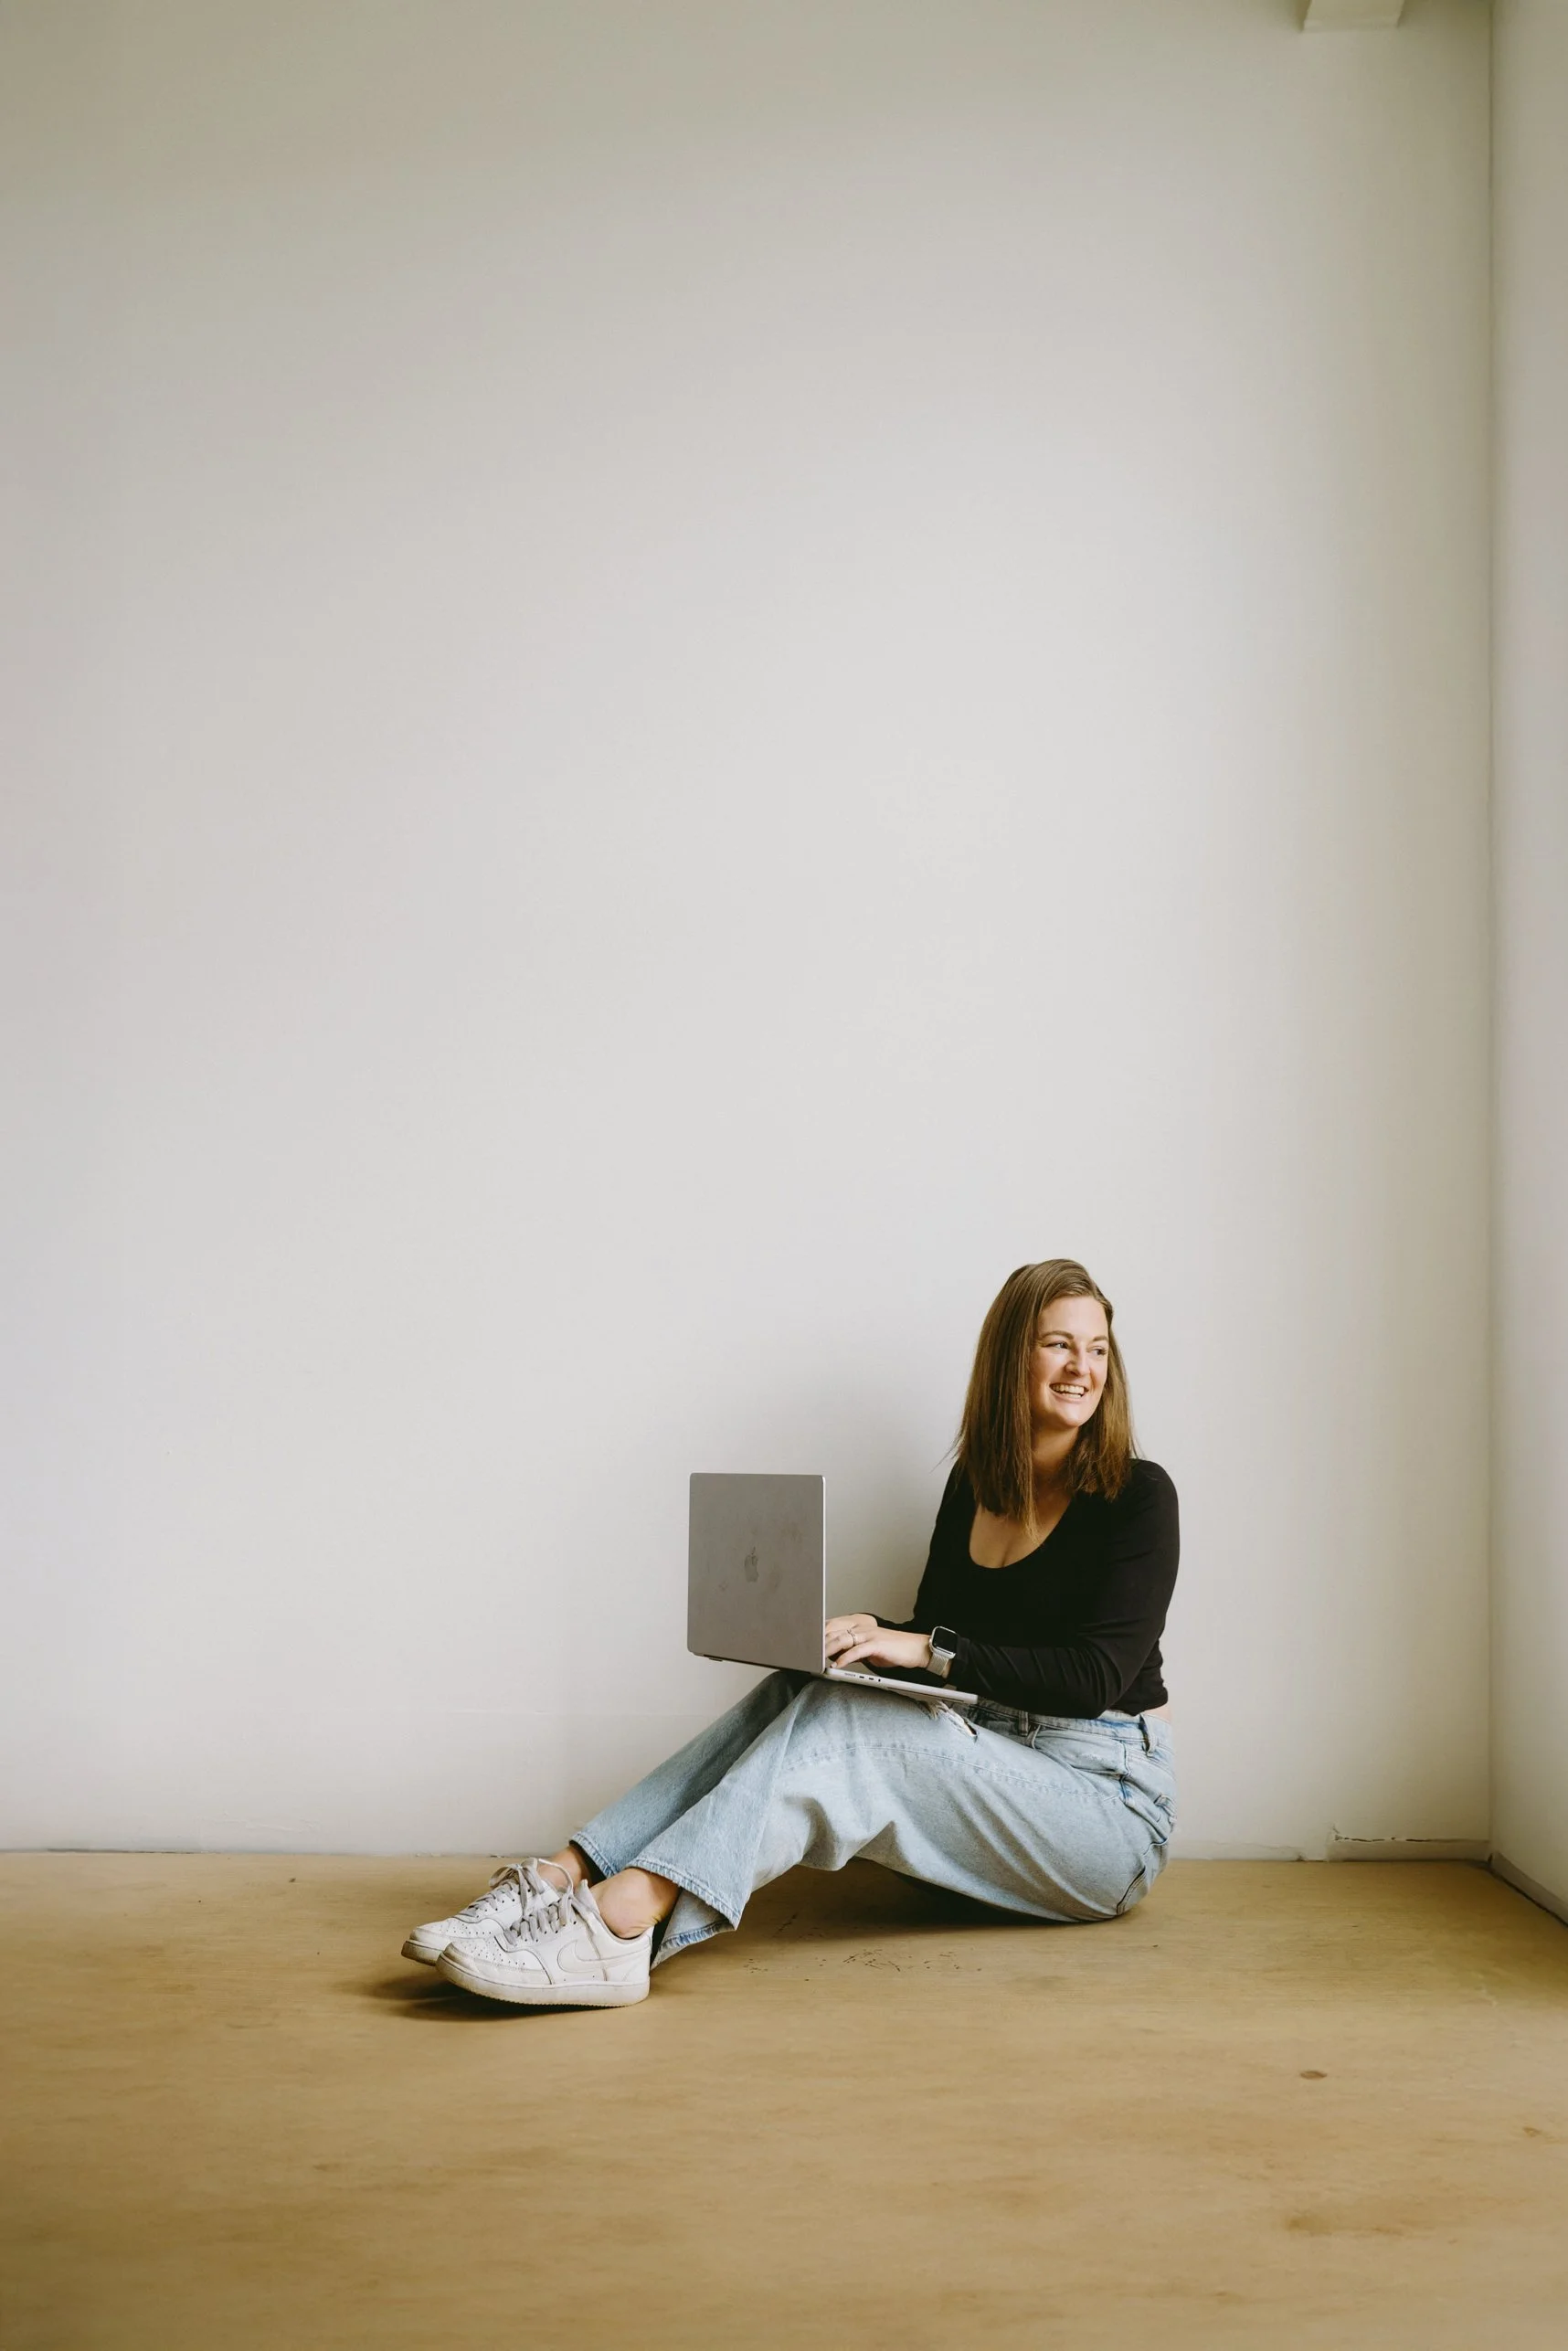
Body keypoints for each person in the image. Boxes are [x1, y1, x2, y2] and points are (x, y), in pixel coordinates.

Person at [401, 1258, 1179, 2008]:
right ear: (1013, 1355)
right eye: (1059, 1343)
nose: (1082, 1367)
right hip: (991, 1757)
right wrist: (870, 1638)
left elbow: (1093, 1677)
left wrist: (926, 1646)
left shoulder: (1138, 1496)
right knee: (808, 1686)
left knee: (852, 1721)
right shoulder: (975, 1483)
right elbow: (948, 1638)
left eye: (1098, 1348)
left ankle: (616, 1923)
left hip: (1101, 1808)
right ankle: (565, 1874)